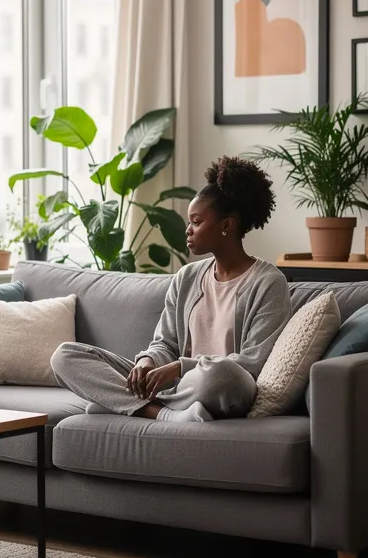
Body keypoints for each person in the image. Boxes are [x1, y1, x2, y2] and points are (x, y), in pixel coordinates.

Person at [50, 156, 289, 423]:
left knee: (220, 374)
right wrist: (148, 362)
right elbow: (165, 343)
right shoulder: (187, 277)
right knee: (65, 356)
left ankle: (121, 403)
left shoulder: (268, 282)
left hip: (219, 388)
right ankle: (160, 412)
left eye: (196, 222)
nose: (188, 230)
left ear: (226, 225)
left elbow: (253, 364)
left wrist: (179, 368)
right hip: (176, 387)